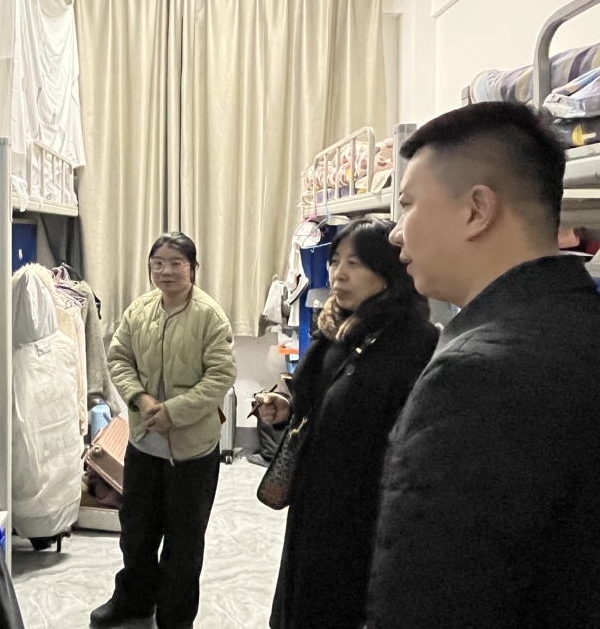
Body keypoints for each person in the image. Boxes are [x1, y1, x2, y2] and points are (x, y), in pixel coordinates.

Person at [367, 102, 600, 628]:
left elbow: (430, 603)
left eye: (408, 205)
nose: (395, 233)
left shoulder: (477, 376)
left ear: (477, 210)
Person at [256, 218, 438, 629]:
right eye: (335, 261)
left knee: (337, 605)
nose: (338, 274)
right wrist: (287, 409)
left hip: (362, 509)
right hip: (315, 496)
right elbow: (320, 398)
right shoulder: (334, 329)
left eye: (354, 264)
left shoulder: (413, 341)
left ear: (387, 272)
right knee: (301, 599)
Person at [90, 232, 236, 629]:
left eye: (175, 263)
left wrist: (174, 412)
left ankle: (175, 617)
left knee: (184, 541)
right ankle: (134, 601)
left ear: (193, 268)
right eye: (158, 263)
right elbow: (118, 358)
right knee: (136, 532)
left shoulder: (209, 316)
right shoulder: (139, 310)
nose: (165, 271)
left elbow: (221, 375)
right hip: (143, 444)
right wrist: (139, 399)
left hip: (193, 451)